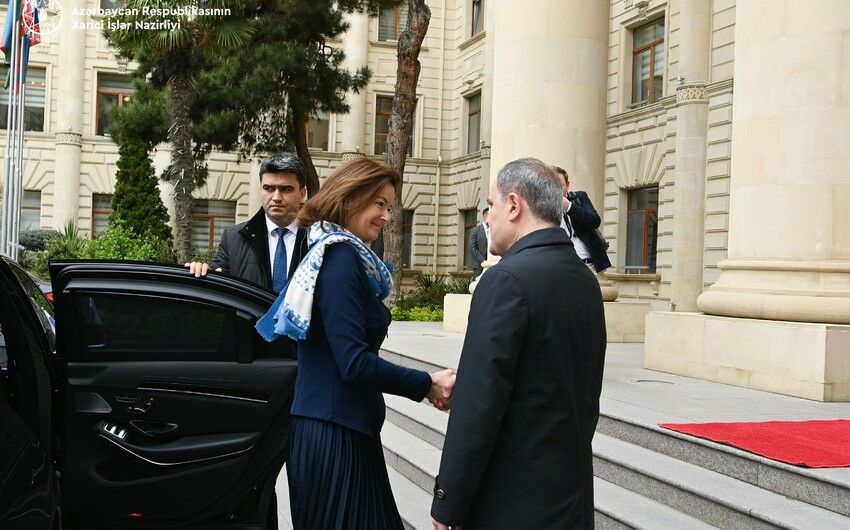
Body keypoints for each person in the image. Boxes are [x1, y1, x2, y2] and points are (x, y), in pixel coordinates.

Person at [255, 157, 456, 530]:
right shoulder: (340, 257)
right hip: (335, 438)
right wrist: (426, 383)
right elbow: (354, 362)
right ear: (350, 197)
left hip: (340, 431)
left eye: (390, 207)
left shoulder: (332, 252)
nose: (386, 216)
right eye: (379, 204)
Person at [431, 158, 607, 530]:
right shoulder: (585, 280)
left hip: (512, 501)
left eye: (491, 205)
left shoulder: (506, 280)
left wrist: (449, 500)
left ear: (514, 205)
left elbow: (479, 404)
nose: (488, 219)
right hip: (570, 497)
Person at [185, 152, 309, 292]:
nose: (276, 197)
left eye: (285, 189)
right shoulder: (233, 238)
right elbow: (216, 285)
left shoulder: (319, 240)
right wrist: (200, 273)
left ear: (302, 194)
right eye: (268, 188)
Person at [554, 166, 612, 273]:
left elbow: (595, 221)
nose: (557, 189)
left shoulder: (579, 197)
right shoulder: (545, 208)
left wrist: (569, 206)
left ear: (567, 185)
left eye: (560, 185)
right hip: (561, 266)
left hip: (588, 265)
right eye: (553, 185)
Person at [467, 207, 489, 277]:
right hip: (478, 265)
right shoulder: (475, 230)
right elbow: (472, 248)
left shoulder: (493, 230)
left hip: (491, 264)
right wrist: (483, 260)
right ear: (485, 216)